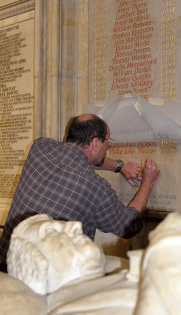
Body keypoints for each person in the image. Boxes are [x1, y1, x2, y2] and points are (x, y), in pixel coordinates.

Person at [0, 114, 160, 271]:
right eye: (107, 142)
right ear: (96, 142)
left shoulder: (40, 148)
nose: (108, 147)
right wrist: (148, 182)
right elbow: (128, 226)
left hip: (6, 263)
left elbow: (75, 157)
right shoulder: (96, 188)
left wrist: (120, 166)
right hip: (45, 281)